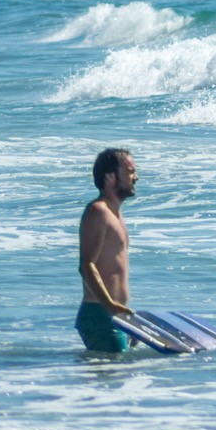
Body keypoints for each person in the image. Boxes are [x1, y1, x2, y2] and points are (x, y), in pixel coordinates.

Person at [75, 148, 139, 352]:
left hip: (114, 314)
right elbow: (86, 265)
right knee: (111, 379)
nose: (135, 177)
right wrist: (110, 306)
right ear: (111, 177)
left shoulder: (117, 216)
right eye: (129, 171)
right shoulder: (98, 212)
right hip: (100, 313)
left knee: (117, 377)